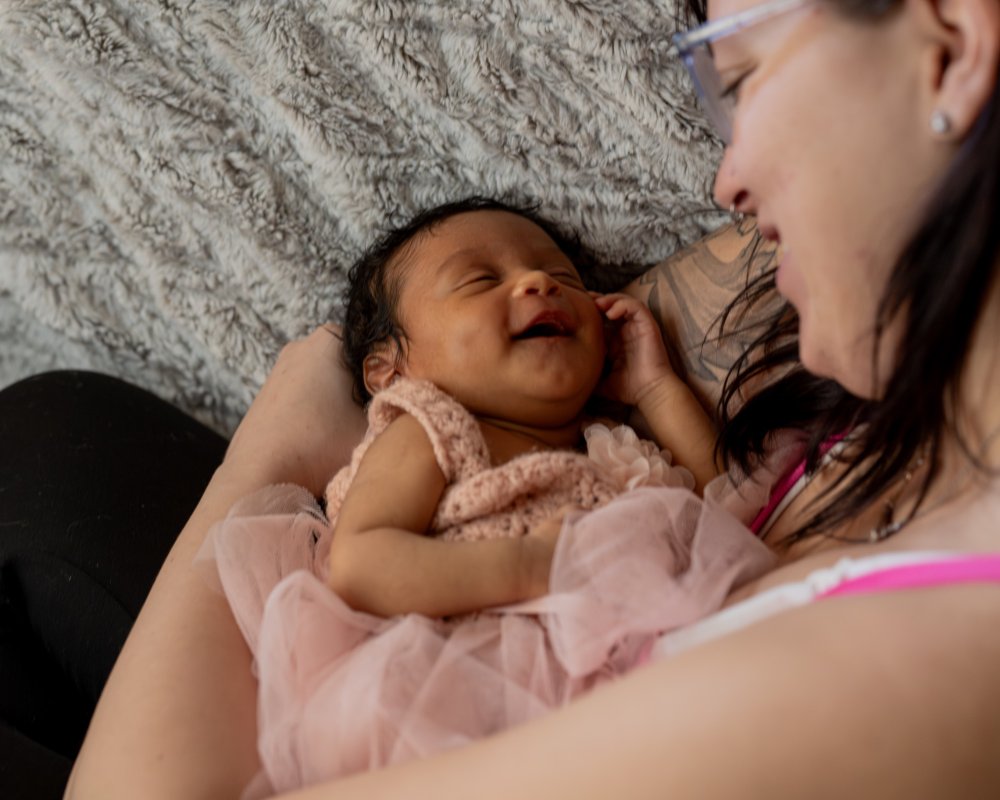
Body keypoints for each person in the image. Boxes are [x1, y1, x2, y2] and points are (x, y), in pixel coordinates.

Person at [37, 0, 1000, 795]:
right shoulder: (891, 348)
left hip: (447, 702)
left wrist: (276, 451)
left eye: (739, 76)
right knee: (64, 418)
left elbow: (712, 499)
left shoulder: (889, 670)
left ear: (953, 46)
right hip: (424, 638)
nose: (727, 182)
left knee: (51, 443)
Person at [204, 197, 773, 795]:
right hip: (463, 699)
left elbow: (734, 508)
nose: (537, 284)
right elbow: (360, 564)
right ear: (391, 371)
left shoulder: (616, 448)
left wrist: (655, 389)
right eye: (479, 280)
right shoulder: (430, 428)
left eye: (561, 277)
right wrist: (532, 566)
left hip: (637, 699)